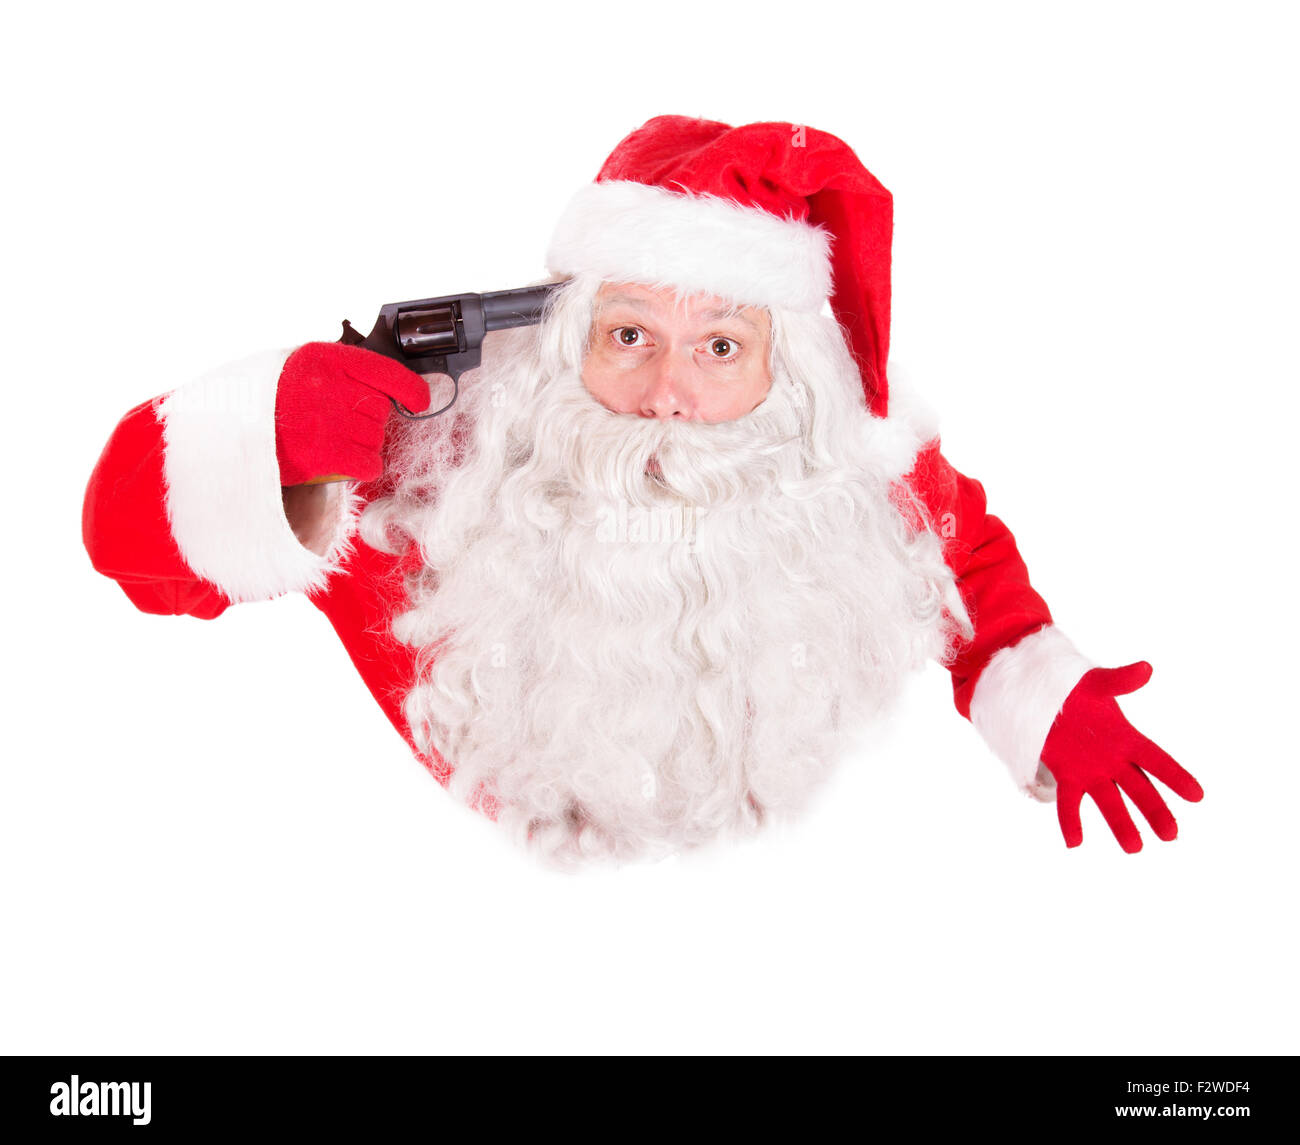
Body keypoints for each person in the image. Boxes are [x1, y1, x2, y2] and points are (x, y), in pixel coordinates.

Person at [82, 115, 1203, 864]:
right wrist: (265, 430)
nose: (668, 392)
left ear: (789, 374)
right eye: (628, 335)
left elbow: (957, 547)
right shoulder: (434, 478)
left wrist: (1039, 688)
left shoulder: (839, 462)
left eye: (722, 347)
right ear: (564, 339)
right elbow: (131, 552)